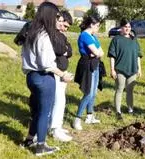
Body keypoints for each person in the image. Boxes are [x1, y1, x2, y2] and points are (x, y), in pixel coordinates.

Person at [20, 2, 69, 156]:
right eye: (56, 17)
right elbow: (47, 64)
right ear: (49, 16)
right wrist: (63, 75)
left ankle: (29, 139)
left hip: (31, 77)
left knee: (36, 111)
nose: (57, 20)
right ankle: (41, 146)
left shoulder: (30, 32)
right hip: (43, 78)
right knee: (44, 112)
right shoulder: (43, 35)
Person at [73, 16, 104, 130]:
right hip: (87, 65)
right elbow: (97, 51)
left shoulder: (93, 37)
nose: (98, 28)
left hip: (95, 64)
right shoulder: (84, 36)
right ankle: (77, 118)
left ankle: (90, 116)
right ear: (91, 24)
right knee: (88, 93)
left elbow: (101, 52)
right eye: (97, 26)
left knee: (94, 92)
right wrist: (96, 53)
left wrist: (96, 54)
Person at [107, 19, 142, 120]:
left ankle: (130, 109)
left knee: (130, 90)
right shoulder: (116, 40)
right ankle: (118, 111)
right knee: (119, 89)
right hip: (120, 69)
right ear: (121, 28)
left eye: (129, 27)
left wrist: (139, 69)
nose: (127, 29)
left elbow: (138, 56)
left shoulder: (134, 40)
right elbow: (112, 56)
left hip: (132, 69)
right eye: (125, 27)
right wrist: (112, 69)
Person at [49, 10, 73, 142]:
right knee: (58, 100)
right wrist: (63, 50)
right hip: (55, 72)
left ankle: (57, 125)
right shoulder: (52, 34)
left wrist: (64, 49)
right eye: (64, 25)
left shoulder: (62, 35)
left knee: (61, 100)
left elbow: (69, 51)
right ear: (60, 20)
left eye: (67, 28)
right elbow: (58, 49)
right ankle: (55, 129)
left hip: (63, 73)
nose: (64, 29)